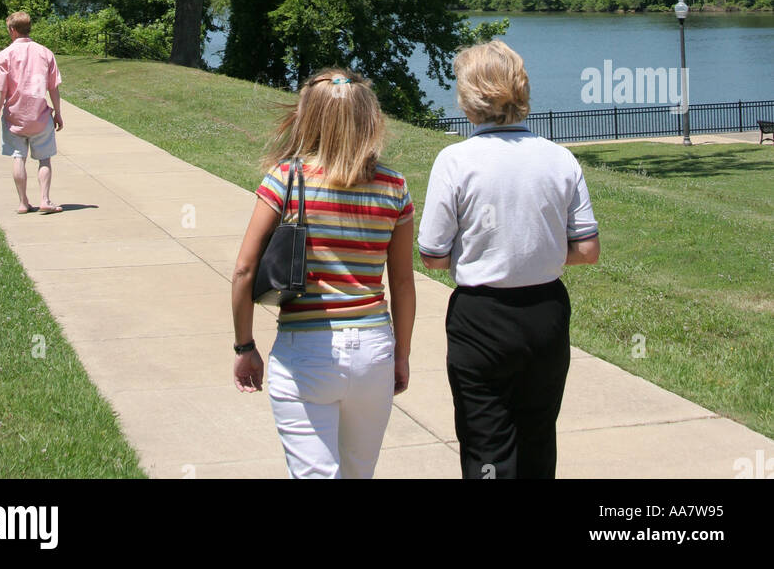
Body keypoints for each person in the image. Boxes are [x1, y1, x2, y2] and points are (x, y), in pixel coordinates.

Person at [417, 40, 599, 480]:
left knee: (487, 448)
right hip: (546, 314)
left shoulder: (455, 160)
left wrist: (483, 252)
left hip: (480, 318)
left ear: (469, 97)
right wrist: (538, 252)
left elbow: (433, 257)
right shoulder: (560, 158)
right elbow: (587, 250)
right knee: (538, 439)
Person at [231, 67, 416, 479]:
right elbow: (402, 281)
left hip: (306, 350)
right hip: (374, 350)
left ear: (308, 116)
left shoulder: (285, 179)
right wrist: (401, 353)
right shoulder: (394, 186)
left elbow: (245, 269)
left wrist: (245, 346)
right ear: (370, 117)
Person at [0, 11, 64, 215]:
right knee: (44, 158)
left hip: (14, 118)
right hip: (40, 117)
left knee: (18, 157)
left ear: (12, 30)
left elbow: (0, 90)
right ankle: (45, 199)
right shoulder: (45, 53)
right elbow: (53, 87)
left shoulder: (4, 56)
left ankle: (23, 202)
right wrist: (58, 113)